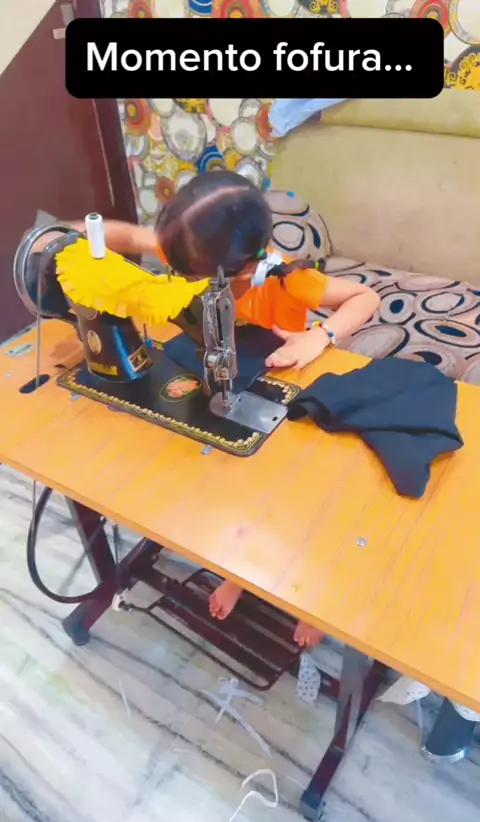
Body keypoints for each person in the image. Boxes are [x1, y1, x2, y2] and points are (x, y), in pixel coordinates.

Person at [32, 171, 380, 647]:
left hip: (283, 374)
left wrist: (319, 336)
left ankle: (313, 601)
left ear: (246, 265)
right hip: (221, 368)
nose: (184, 281)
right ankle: (238, 571)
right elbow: (122, 236)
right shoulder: (190, 249)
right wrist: (61, 241)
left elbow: (366, 297)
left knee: (294, 494)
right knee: (221, 482)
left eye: (193, 279)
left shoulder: (288, 279)